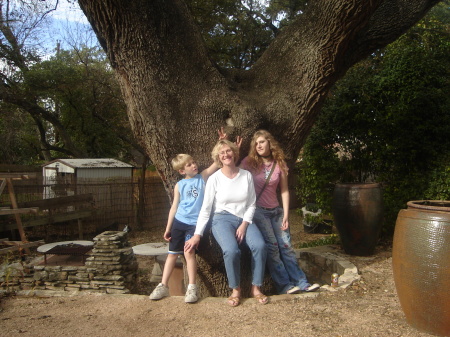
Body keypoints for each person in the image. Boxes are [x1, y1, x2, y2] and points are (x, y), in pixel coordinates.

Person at [149, 129, 235, 303]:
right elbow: (174, 208)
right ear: (182, 171)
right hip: (179, 223)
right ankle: (163, 286)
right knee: (172, 254)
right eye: (189, 165)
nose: (194, 165)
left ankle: (192, 288)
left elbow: (216, 162)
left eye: (194, 162)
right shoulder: (179, 186)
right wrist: (168, 228)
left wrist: (222, 142)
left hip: (195, 224)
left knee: (189, 254)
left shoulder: (202, 177)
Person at [185, 139, 268, 307]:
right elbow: (206, 209)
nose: (226, 154)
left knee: (260, 246)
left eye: (228, 151)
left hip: (244, 218)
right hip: (221, 219)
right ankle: (235, 289)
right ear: (218, 157)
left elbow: (252, 204)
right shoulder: (214, 179)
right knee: (231, 251)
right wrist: (197, 235)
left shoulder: (246, 176)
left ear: (234, 153)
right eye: (222, 153)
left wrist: (244, 224)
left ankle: (256, 288)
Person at [240, 130, 320, 294]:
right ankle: (285, 285)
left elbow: (284, 191)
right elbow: (232, 172)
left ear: (270, 143)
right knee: (273, 248)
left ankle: (302, 282)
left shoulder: (279, 163)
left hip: (276, 211)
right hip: (258, 212)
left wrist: (285, 214)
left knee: (287, 247)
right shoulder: (249, 162)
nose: (259, 145)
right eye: (256, 143)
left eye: (262, 142)